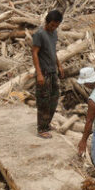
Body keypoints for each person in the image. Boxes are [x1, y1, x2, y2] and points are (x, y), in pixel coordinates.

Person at [31, 9, 64, 138]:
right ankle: (41, 128)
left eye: (56, 26)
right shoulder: (39, 34)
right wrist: (39, 73)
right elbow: (34, 53)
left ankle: (47, 123)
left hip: (52, 71)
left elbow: (53, 51)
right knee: (43, 100)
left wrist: (59, 65)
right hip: (43, 72)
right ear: (47, 22)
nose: (53, 28)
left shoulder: (54, 34)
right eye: (52, 25)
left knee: (54, 98)